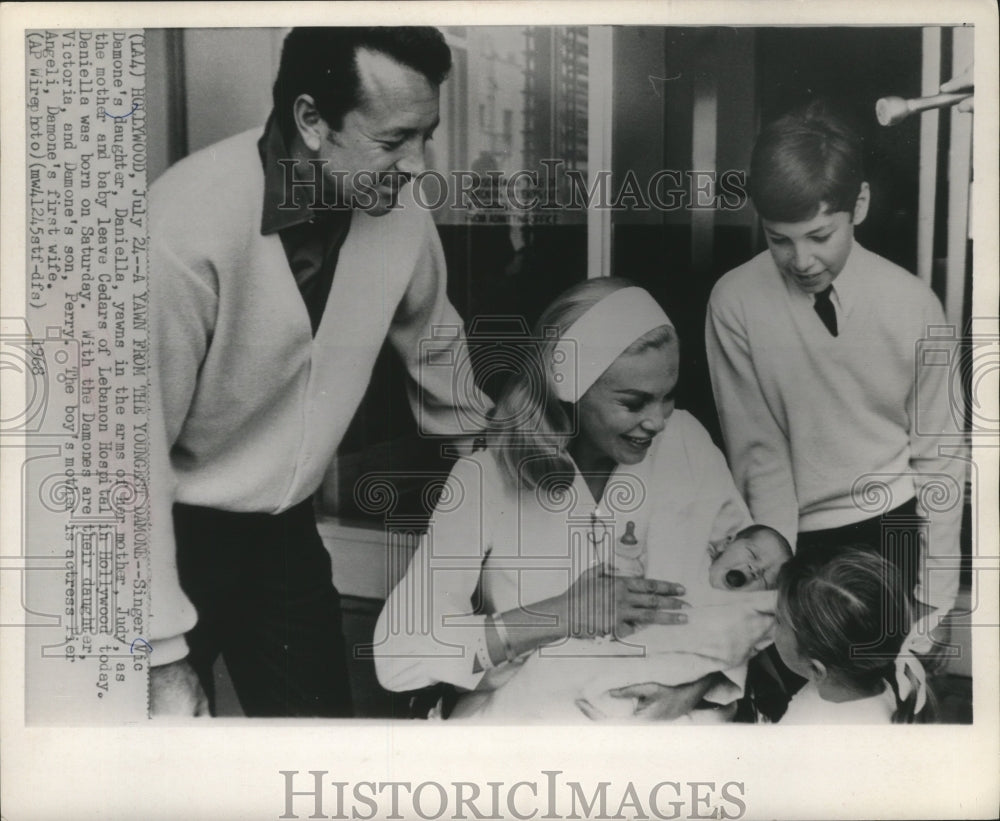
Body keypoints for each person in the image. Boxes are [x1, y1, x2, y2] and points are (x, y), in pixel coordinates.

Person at [147, 28, 489, 716]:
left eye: (427, 135)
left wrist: (500, 470)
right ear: (311, 120)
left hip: (283, 539)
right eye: (394, 141)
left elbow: (438, 352)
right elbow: (125, 461)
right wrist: (156, 652)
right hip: (170, 536)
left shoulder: (400, 213)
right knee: (146, 764)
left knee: (323, 747)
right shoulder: (181, 227)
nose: (419, 165)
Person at [374, 278, 758, 722]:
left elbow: (758, 594)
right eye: (633, 403)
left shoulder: (686, 442)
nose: (657, 421)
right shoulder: (484, 479)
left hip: (668, 733)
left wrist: (696, 689)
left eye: (667, 396)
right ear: (569, 388)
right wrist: (562, 613)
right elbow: (399, 655)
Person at [705, 100, 965, 680]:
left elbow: (941, 460)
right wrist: (776, 567)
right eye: (779, 240)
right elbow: (757, 449)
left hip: (892, 534)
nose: (801, 260)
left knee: (891, 706)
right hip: (794, 540)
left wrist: (936, 597)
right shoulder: (734, 302)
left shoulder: (913, 303)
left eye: (820, 235)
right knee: (792, 708)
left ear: (860, 206)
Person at [495, 524, 793, 722]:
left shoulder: (740, 615)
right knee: (545, 681)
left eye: (767, 576)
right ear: (726, 543)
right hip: (599, 650)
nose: (755, 568)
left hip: (658, 688)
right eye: (752, 554)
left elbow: (745, 641)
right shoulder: (685, 556)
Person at [774, 546, 930, 724]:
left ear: (817, 669)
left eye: (778, 620)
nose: (772, 622)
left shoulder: (809, 725)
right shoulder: (883, 689)